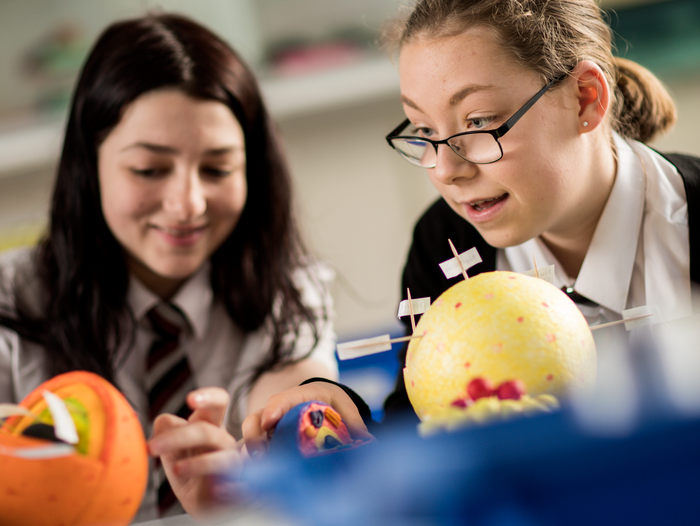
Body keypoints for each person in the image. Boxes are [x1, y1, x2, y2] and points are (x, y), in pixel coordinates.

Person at [0, 13, 337, 520]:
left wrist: (262, 465)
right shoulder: (4, 291)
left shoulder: (287, 287)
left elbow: (295, 398)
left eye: (218, 168)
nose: (188, 204)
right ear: (90, 166)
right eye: (149, 169)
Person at [243, 0, 700, 452]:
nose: (445, 169)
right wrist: (355, 431)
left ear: (585, 98)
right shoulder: (445, 245)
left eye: (478, 122)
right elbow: (428, 437)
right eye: (423, 130)